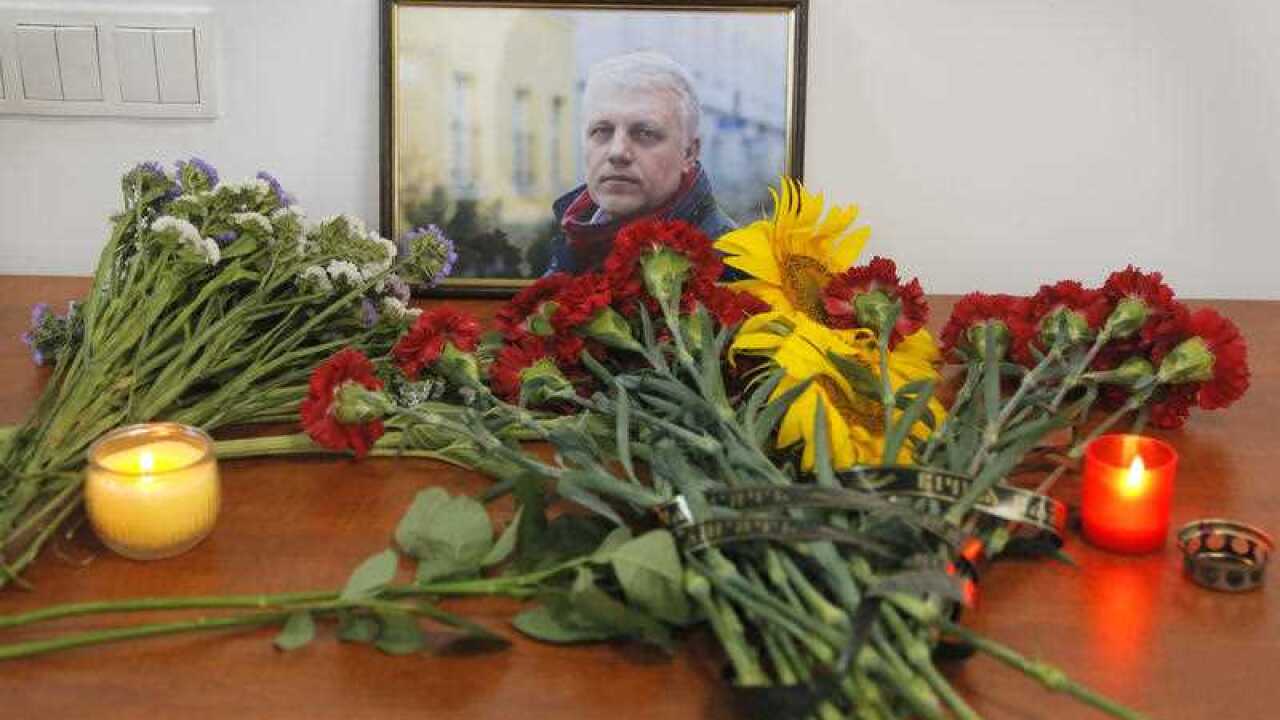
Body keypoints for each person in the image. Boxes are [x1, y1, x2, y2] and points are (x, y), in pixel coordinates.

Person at [544, 51, 736, 275]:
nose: (617, 152)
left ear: (689, 153)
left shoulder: (734, 264)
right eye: (602, 131)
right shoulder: (575, 238)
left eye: (645, 133)